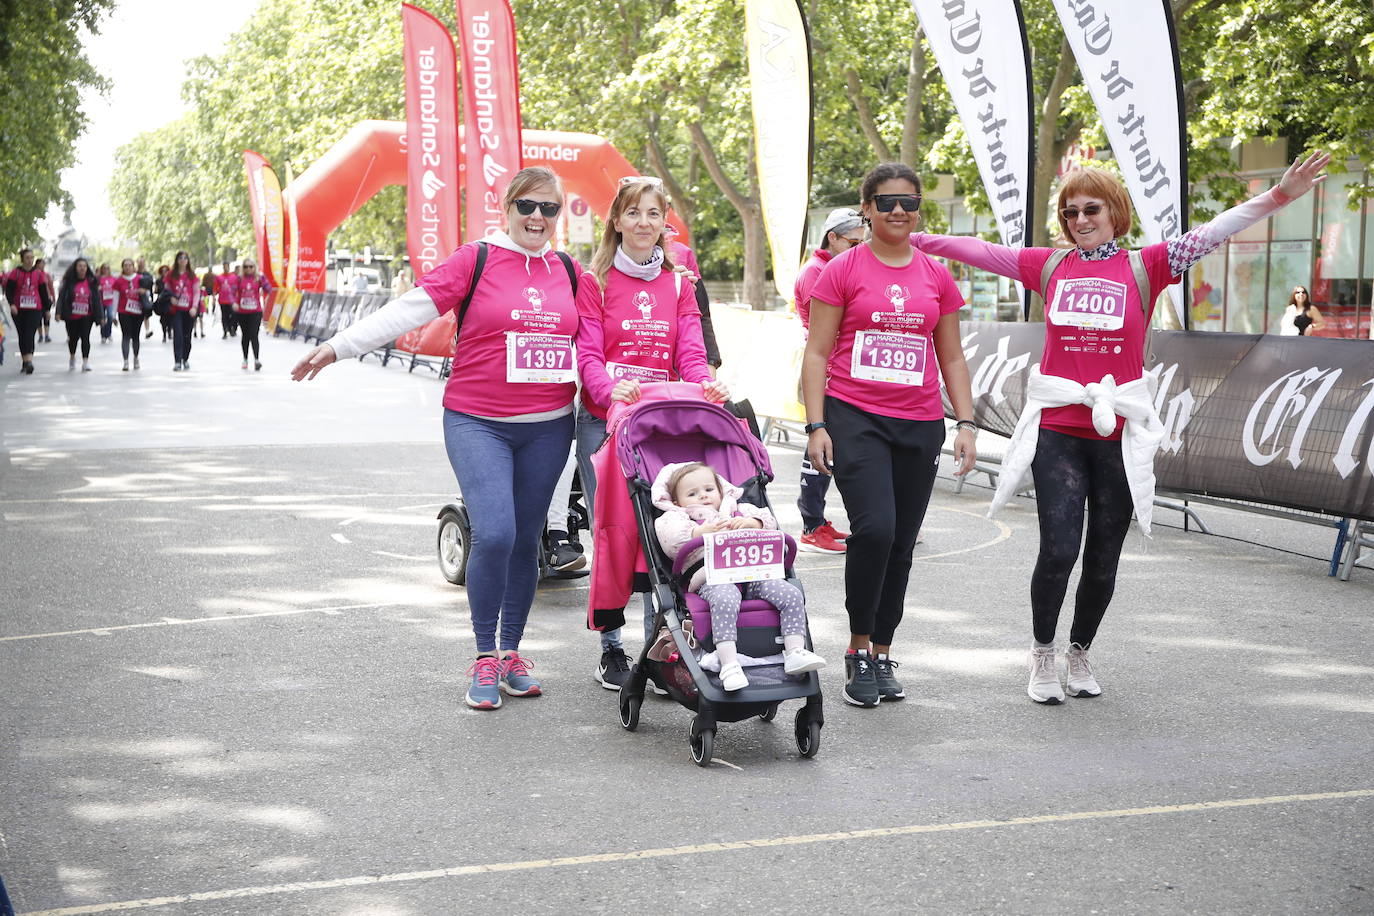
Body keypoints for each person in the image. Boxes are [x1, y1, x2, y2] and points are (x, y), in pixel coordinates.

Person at [911, 151, 1332, 704]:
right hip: (1060, 428)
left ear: (1115, 213)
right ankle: (1042, 654)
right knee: (1059, 550)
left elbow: (1216, 230)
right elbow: (980, 251)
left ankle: (1079, 652)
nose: (1080, 221)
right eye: (1070, 213)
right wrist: (915, 239)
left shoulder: (1147, 265)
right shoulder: (1048, 266)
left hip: (1119, 434)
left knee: (1104, 559)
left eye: (1091, 209)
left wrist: (1278, 197)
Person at [292, 166, 580, 711]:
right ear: (506, 207)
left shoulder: (568, 271)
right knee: (494, 533)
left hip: (548, 426)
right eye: (528, 206)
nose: (538, 218)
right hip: (478, 422)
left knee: (526, 540)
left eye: (549, 208)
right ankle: (482, 656)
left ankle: (512, 653)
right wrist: (338, 346)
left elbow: (597, 341)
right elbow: (408, 310)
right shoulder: (475, 260)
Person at [801, 161, 978, 709]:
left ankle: (882, 650)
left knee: (901, 541)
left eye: (909, 202)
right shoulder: (843, 270)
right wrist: (816, 424)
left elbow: (949, 353)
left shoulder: (936, 275)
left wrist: (966, 422)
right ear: (868, 210)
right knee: (875, 530)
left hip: (919, 422)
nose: (898, 211)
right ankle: (856, 649)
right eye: (886, 202)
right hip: (855, 415)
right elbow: (816, 351)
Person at [574, 176, 727, 691]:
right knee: (614, 535)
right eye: (633, 213)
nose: (643, 223)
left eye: (653, 214)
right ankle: (612, 648)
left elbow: (689, 352)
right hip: (606, 421)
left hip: (660, 426)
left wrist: (706, 384)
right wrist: (612, 388)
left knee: (661, 538)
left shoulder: (680, 283)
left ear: (666, 223)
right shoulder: (593, 281)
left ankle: (659, 649)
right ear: (616, 221)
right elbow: (589, 355)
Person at [653, 461, 825, 691]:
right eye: (692, 494)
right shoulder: (678, 518)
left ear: (721, 490)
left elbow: (770, 522)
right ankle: (729, 663)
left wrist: (752, 523)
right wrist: (698, 532)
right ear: (676, 502)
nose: (703, 496)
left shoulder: (737, 509)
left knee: (790, 594)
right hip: (712, 578)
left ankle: (794, 651)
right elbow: (670, 541)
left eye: (708, 489)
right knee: (726, 598)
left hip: (753, 574)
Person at [794, 207, 865, 555]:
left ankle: (818, 520)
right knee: (819, 446)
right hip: (822, 369)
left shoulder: (840, 266)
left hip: (839, 368)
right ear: (832, 238)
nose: (858, 250)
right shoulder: (816, 272)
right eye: (852, 243)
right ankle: (810, 526)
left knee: (830, 449)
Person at [4, 248, 52, 374]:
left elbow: (43, 293)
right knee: (22, 334)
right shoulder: (15, 273)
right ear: (22, 259)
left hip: (35, 309)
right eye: (27, 258)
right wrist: (12, 304)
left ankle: (29, 361)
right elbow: (9, 291)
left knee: (29, 333)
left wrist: (47, 309)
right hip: (18, 310)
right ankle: (25, 361)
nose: (30, 260)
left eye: (32, 258)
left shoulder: (39, 274)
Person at [56, 257, 100, 371]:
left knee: (86, 338)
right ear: (75, 268)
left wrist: (101, 316)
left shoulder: (91, 282)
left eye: (84, 266)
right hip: (72, 315)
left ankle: (85, 362)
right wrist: (58, 312)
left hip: (87, 315)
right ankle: (72, 357)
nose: (82, 268)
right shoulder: (68, 282)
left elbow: (96, 299)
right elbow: (61, 298)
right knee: (73, 338)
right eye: (80, 266)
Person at [234, 260, 272, 370]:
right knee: (245, 335)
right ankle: (245, 359)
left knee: (254, 334)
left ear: (254, 267)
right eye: (246, 267)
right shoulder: (239, 279)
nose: (248, 269)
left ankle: (256, 360)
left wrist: (266, 297)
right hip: (242, 312)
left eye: (251, 266)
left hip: (255, 311)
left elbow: (269, 289)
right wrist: (235, 303)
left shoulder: (259, 278)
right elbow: (232, 292)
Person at [165, 251, 200, 370]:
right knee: (178, 334)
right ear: (177, 260)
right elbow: (166, 290)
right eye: (180, 258)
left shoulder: (192, 275)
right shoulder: (171, 275)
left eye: (185, 258)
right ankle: (177, 360)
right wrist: (171, 298)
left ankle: (185, 358)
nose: (183, 260)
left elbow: (196, 292)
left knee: (187, 336)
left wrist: (194, 307)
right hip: (176, 309)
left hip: (189, 309)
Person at [112, 258, 146, 370]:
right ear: (123, 267)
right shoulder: (118, 281)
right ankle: (125, 361)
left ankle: (136, 358)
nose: (127, 267)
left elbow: (147, 294)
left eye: (130, 265)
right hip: (124, 311)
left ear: (133, 266)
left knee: (136, 336)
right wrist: (113, 315)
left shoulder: (140, 279)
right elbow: (115, 298)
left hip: (137, 311)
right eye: (125, 265)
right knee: (126, 335)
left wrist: (144, 292)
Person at [214, 261, 239, 338]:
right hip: (223, 300)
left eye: (227, 266)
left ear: (229, 267)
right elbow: (216, 288)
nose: (226, 268)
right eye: (224, 267)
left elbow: (238, 287)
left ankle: (231, 328)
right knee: (224, 316)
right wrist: (214, 295)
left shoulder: (234, 277)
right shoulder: (219, 277)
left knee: (234, 315)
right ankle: (225, 331)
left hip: (232, 300)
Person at [35, 257, 55, 343]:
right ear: (37, 264)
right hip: (36, 299)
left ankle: (47, 335)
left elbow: (51, 286)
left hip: (46, 298)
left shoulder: (47, 275)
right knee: (38, 318)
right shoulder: (34, 274)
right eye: (41, 264)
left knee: (46, 317)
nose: (43, 265)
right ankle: (40, 335)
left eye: (44, 264)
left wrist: (53, 297)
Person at [97, 263, 116, 344]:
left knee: (110, 316)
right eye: (104, 268)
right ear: (102, 269)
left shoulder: (113, 278)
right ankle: (103, 335)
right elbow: (94, 288)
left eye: (107, 268)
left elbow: (117, 288)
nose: (106, 270)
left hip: (110, 301)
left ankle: (109, 333)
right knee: (102, 318)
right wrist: (99, 288)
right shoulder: (99, 278)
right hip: (101, 301)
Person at [153, 264, 172, 343]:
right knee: (163, 319)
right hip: (162, 302)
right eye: (163, 271)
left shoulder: (171, 280)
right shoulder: (158, 280)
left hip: (170, 301)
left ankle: (169, 331)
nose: (164, 272)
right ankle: (164, 334)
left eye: (166, 270)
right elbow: (156, 291)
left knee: (170, 318)